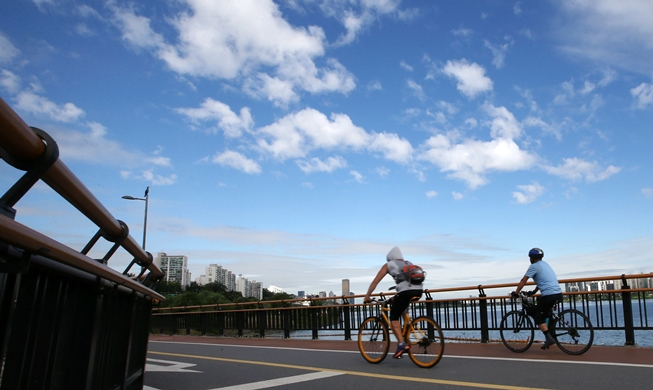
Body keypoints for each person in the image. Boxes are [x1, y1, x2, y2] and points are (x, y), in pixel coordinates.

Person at [364, 246, 424, 359]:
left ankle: (402, 344)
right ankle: (406, 333)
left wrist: (367, 296)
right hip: (418, 291)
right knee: (399, 305)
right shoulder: (408, 263)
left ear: (390, 258)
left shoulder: (388, 265)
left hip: (405, 292)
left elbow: (375, 281)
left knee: (394, 318)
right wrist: (393, 298)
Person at [511, 247, 563, 349]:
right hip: (558, 294)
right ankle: (551, 333)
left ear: (532, 258)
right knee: (546, 313)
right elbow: (543, 281)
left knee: (537, 314)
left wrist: (516, 293)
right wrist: (534, 292)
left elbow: (523, 280)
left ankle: (549, 338)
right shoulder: (546, 264)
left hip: (548, 295)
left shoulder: (533, 266)